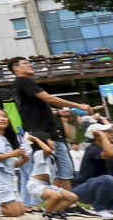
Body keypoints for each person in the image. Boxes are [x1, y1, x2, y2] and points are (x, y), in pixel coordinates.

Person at [9, 59, 74, 205]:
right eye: (25, 63)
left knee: (60, 172)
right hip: (44, 133)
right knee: (59, 172)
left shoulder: (20, 85)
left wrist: (58, 113)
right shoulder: (23, 81)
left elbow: (33, 110)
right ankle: (64, 205)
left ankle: (66, 205)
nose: (30, 65)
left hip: (45, 131)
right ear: (16, 68)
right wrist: (78, 106)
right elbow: (49, 98)